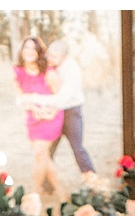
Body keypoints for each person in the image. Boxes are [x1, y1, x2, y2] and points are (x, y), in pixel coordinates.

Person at [12, 35, 64, 203]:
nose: (29, 51)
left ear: (39, 52)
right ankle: (63, 194)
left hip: (51, 118)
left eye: (33, 49)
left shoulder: (49, 73)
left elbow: (61, 98)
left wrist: (49, 113)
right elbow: (21, 98)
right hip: (33, 118)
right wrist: (34, 109)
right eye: (26, 47)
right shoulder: (18, 72)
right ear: (22, 51)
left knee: (39, 154)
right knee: (44, 159)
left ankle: (34, 195)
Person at [42, 37, 96, 178]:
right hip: (55, 111)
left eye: (54, 56)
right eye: (49, 54)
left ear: (64, 57)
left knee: (77, 148)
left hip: (71, 112)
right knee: (48, 148)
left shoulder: (73, 70)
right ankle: (46, 180)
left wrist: (43, 104)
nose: (49, 58)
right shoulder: (49, 66)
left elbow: (63, 98)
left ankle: (91, 178)